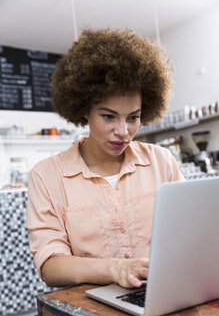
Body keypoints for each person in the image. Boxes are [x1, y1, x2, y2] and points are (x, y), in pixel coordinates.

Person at [26, 28, 184, 290]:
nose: (123, 131)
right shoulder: (47, 176)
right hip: (92, 303)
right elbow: (50, 266)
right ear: (84, 109)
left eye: (133, 117)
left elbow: (190, 230)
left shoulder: (162, 161)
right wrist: (114, 269)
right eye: (108, 116)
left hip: (161, 292)